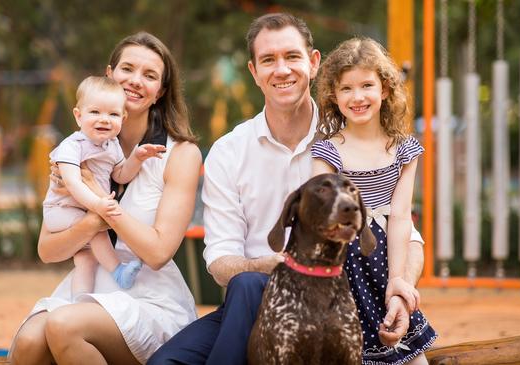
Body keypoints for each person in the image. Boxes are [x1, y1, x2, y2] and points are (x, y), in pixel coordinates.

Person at [149, 13, 426, 365]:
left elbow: (402, 232)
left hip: (333, 296)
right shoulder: (229, 152)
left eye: (292, 57)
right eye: (268, 60)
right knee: (171, 357)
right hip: (252, 300)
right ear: (254, 72)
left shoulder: (348, 141)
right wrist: (272, 265)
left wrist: (401, 290)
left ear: (313, 63)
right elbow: (219, 262)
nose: (281, 70)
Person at [9, 32, 202, 365]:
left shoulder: (180, 153)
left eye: (150, 75)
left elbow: (157, 253)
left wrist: (99, 200)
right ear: (109, 75)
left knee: (63, 326)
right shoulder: (74, 151)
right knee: (28, 342)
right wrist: (90, 223)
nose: (136, 81)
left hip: (148, 294)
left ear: (161, 92)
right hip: (91, 285)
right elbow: (47, 249)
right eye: (127, 69)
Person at [311, 36, 436, 364]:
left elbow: (399, 217)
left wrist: (397, 281)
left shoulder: (404, 149)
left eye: (367, 85)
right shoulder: (328, 153)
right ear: (333, 95)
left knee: (410, 356)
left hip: (384, 259)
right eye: (346, 88)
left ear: (384, 89)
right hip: (343, 265)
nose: (357, 97)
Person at [42, 75, 167, 296]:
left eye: (113, 114)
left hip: (84, 208)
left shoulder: (112, 146)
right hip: (62, 210)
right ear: (78, 116)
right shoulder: (72, 146)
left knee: (86, 261)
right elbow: (72, 183)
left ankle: (79, 302)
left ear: (123, 117)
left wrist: (136, 158)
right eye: (95, 112)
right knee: (96, 230)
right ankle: (118, 271)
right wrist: (98, 205)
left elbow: (120, 175)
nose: (104, 119)